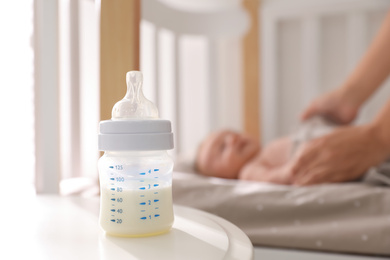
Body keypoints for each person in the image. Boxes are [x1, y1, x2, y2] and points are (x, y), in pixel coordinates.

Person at [196, 10, 390, 186]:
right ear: (222, 178)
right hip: (333, 161)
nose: (232, 139)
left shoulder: (268, 149)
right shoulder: (248, 172)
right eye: (221, 148)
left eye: (231, 133)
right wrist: (290, 172)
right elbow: (273, 178)